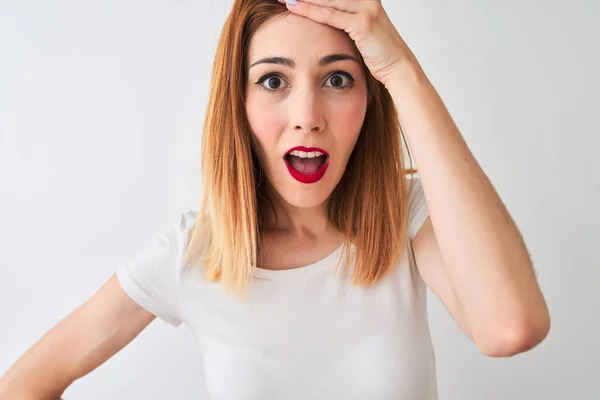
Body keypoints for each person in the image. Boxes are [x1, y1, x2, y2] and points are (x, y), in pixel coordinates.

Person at [0, 0, 551, 399]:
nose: (307, 115)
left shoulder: (407, 217)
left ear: (370, 95)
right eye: (272, 81)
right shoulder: (191, 255)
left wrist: (401, 71)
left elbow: (509, 328)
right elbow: (24, 385)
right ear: (236, 101)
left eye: (338, 79)